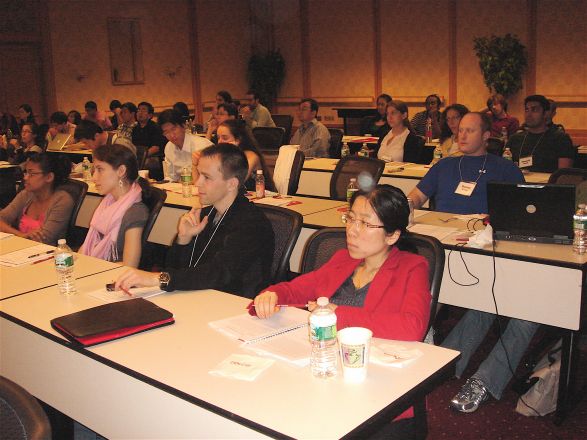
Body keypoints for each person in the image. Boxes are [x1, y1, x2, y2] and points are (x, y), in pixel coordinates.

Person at [254, 184, 430, 438]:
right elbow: (297, 289)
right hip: (324, 368)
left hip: (378, 386)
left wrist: (341, 315)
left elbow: (412, 326)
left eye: (366, 224)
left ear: (392, 235)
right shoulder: (342, 260)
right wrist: (274, 294)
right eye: (351, 219)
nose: (352, 230)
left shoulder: (413, 267)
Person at [114, 144, 275, 298]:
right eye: (199, 174)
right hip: (200, 298)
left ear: (232, 184)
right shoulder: (206, 214)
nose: (197, 183)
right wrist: (183, 240)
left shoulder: (252, 224)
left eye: (207, 177)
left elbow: (217, 274)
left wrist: (156, 279)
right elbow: (177, 269)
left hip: (236, 307)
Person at [408, 112, 524, 214]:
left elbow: (519, 209)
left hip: (482, 233)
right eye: (460, 130)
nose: (462, 136)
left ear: (485, 136)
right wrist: (404, 209)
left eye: (470, 131)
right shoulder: (443, 165)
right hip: (441, 230)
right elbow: (417, 196)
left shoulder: (506, 169)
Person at [79, 144, 150, 267]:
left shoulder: (135, 212)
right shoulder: (108, 203)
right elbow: (87, 247)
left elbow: (129, 266)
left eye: (100, 170)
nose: (94, 177)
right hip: (95, 269)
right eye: (94, 170)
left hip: (112, 278)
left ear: (121, 171)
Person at [0, 153, 74, 245]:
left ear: (49, 177)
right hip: (20, 249)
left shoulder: (63, 200)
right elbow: (1, 219)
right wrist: (21, 235)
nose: (25, 177)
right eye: (26, 172)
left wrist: (18, 235)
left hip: (48, 254)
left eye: (32, 174)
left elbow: (45, 238)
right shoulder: (26, 195)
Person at [507, 95, 574, 172]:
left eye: (534, 110)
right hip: (518, 182)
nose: (529, 114)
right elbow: (504, 168)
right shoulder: (515, 138)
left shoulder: (560, 139)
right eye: (526, 110)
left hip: (547, 183)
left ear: (545, 113)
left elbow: (563, 175)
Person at [214, 119, 275, 191]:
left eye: (225, 138)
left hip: (258, 199)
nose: (220, 142)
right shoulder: (223, 155)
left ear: (238, 140)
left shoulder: (251, 156)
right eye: (218, 138)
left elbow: (236, 181)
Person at [158, 109, 213, 182]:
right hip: (181, 189)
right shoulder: (169, 147)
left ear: (184, 126)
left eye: (174, 129)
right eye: (166, 132)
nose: (171, 135)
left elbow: (212, 177)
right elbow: (171, 177)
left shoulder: (203, 146)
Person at [132, 101, 167, 180]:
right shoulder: (135, 129)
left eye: (143, 110)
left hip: (152, 159)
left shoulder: (155, 127)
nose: (139, 112)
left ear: (150, 115)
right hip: (139, 158)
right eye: (138, 110)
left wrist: (142, 157)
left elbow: (156, 148)